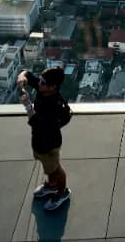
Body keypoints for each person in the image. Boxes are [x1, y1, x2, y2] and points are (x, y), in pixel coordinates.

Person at [17, 66, 73, 211]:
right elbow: (27, 74)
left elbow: (37, 124)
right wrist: (22, 77)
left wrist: (28, 106)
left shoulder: (53, 105)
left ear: (52, 87)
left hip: (49, 143)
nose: (39, 84)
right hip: (40, 140)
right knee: (49, 167)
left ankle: (62, 192)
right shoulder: (45, 88)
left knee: (55, 169)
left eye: (43, 83)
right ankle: (51, 185)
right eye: (40, 81)